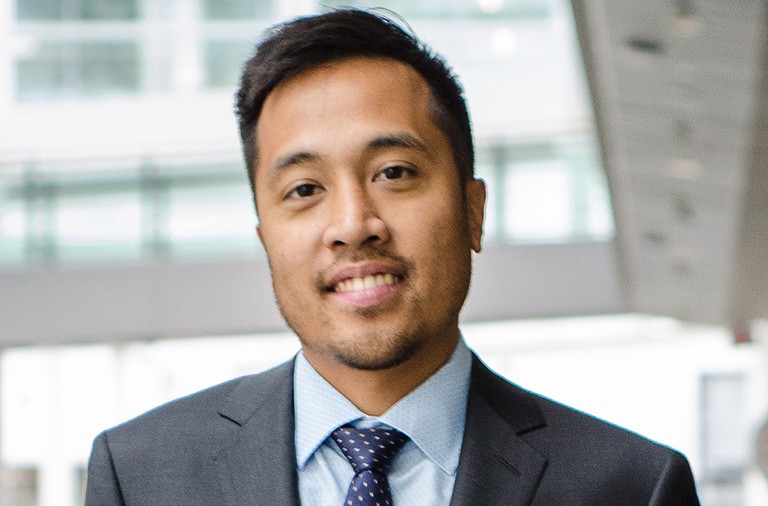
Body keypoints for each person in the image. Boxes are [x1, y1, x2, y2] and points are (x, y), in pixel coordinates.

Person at [85, 8, 700, 505]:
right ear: (265, 237)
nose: (353, 225)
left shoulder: (630, 486)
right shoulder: (142, 477)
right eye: (304, 190)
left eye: (395, 172)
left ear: (473, 212)